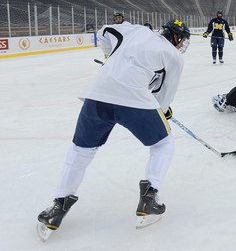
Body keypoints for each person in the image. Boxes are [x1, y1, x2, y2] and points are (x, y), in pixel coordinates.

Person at [37, 19, 191, 238]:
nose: (182, 44)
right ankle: (148, 199)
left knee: (80, 152)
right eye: (182, 39)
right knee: (163, 144)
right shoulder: (174, 57)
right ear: (176, 37)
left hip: (98, 94)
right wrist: (162, 110)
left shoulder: (136, 30)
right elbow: (165, 94)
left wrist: (112, 56)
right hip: (135, 100)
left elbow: (103, 32)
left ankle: (57, 207)